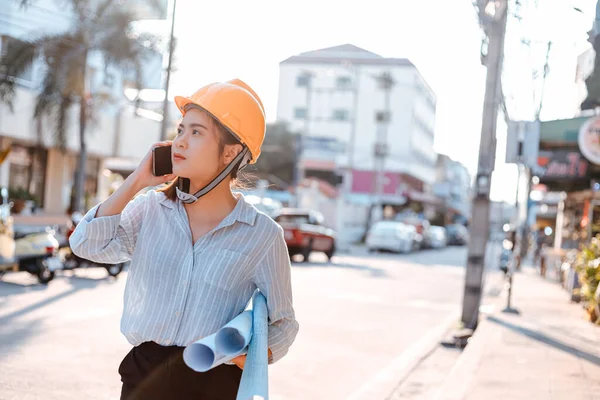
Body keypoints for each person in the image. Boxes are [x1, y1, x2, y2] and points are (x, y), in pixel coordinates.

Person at [69, 79, 299, 400]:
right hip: (143, 376)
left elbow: (284, 323)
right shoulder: (151, 209)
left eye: (196, 132)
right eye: (180, 130)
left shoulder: (262, 235)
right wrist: (136, 181)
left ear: (230, 152)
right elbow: (87, 245)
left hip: (213, 382)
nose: (180, 142)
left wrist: (245, 356)